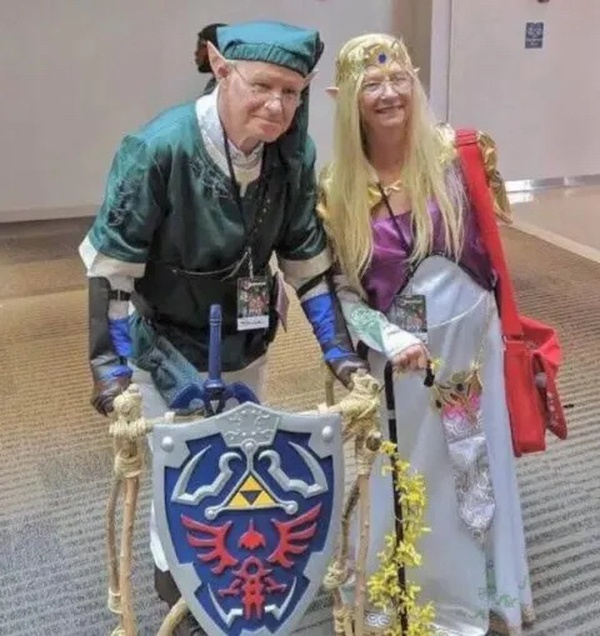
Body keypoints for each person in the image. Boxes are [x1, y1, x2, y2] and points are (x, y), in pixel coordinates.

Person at [79, 21, 369, 635]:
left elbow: (306, 263)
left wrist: (341, 355)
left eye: (292, 92)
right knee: (182, 475)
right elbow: (113, 272)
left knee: (238, 468)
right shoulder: (157, 151)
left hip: (245, 339)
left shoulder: (292, 154)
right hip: (165, 349)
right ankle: (179, 599)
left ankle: (230, 587)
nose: (278, 106)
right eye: (263, 86)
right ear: (220, 68)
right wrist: (110, 370)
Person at [317, 34, 534, 635]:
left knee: (479, 460)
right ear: (347, 99)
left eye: (399, 79)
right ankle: (421, 597)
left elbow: (492, 252)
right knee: (416, 472)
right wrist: (387, 339)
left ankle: (486, 593)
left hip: (474, 346)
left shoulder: (459, 155)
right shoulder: (336, 188)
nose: (390, 94)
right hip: (404, 360)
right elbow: (342, 292)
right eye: (372, 84)